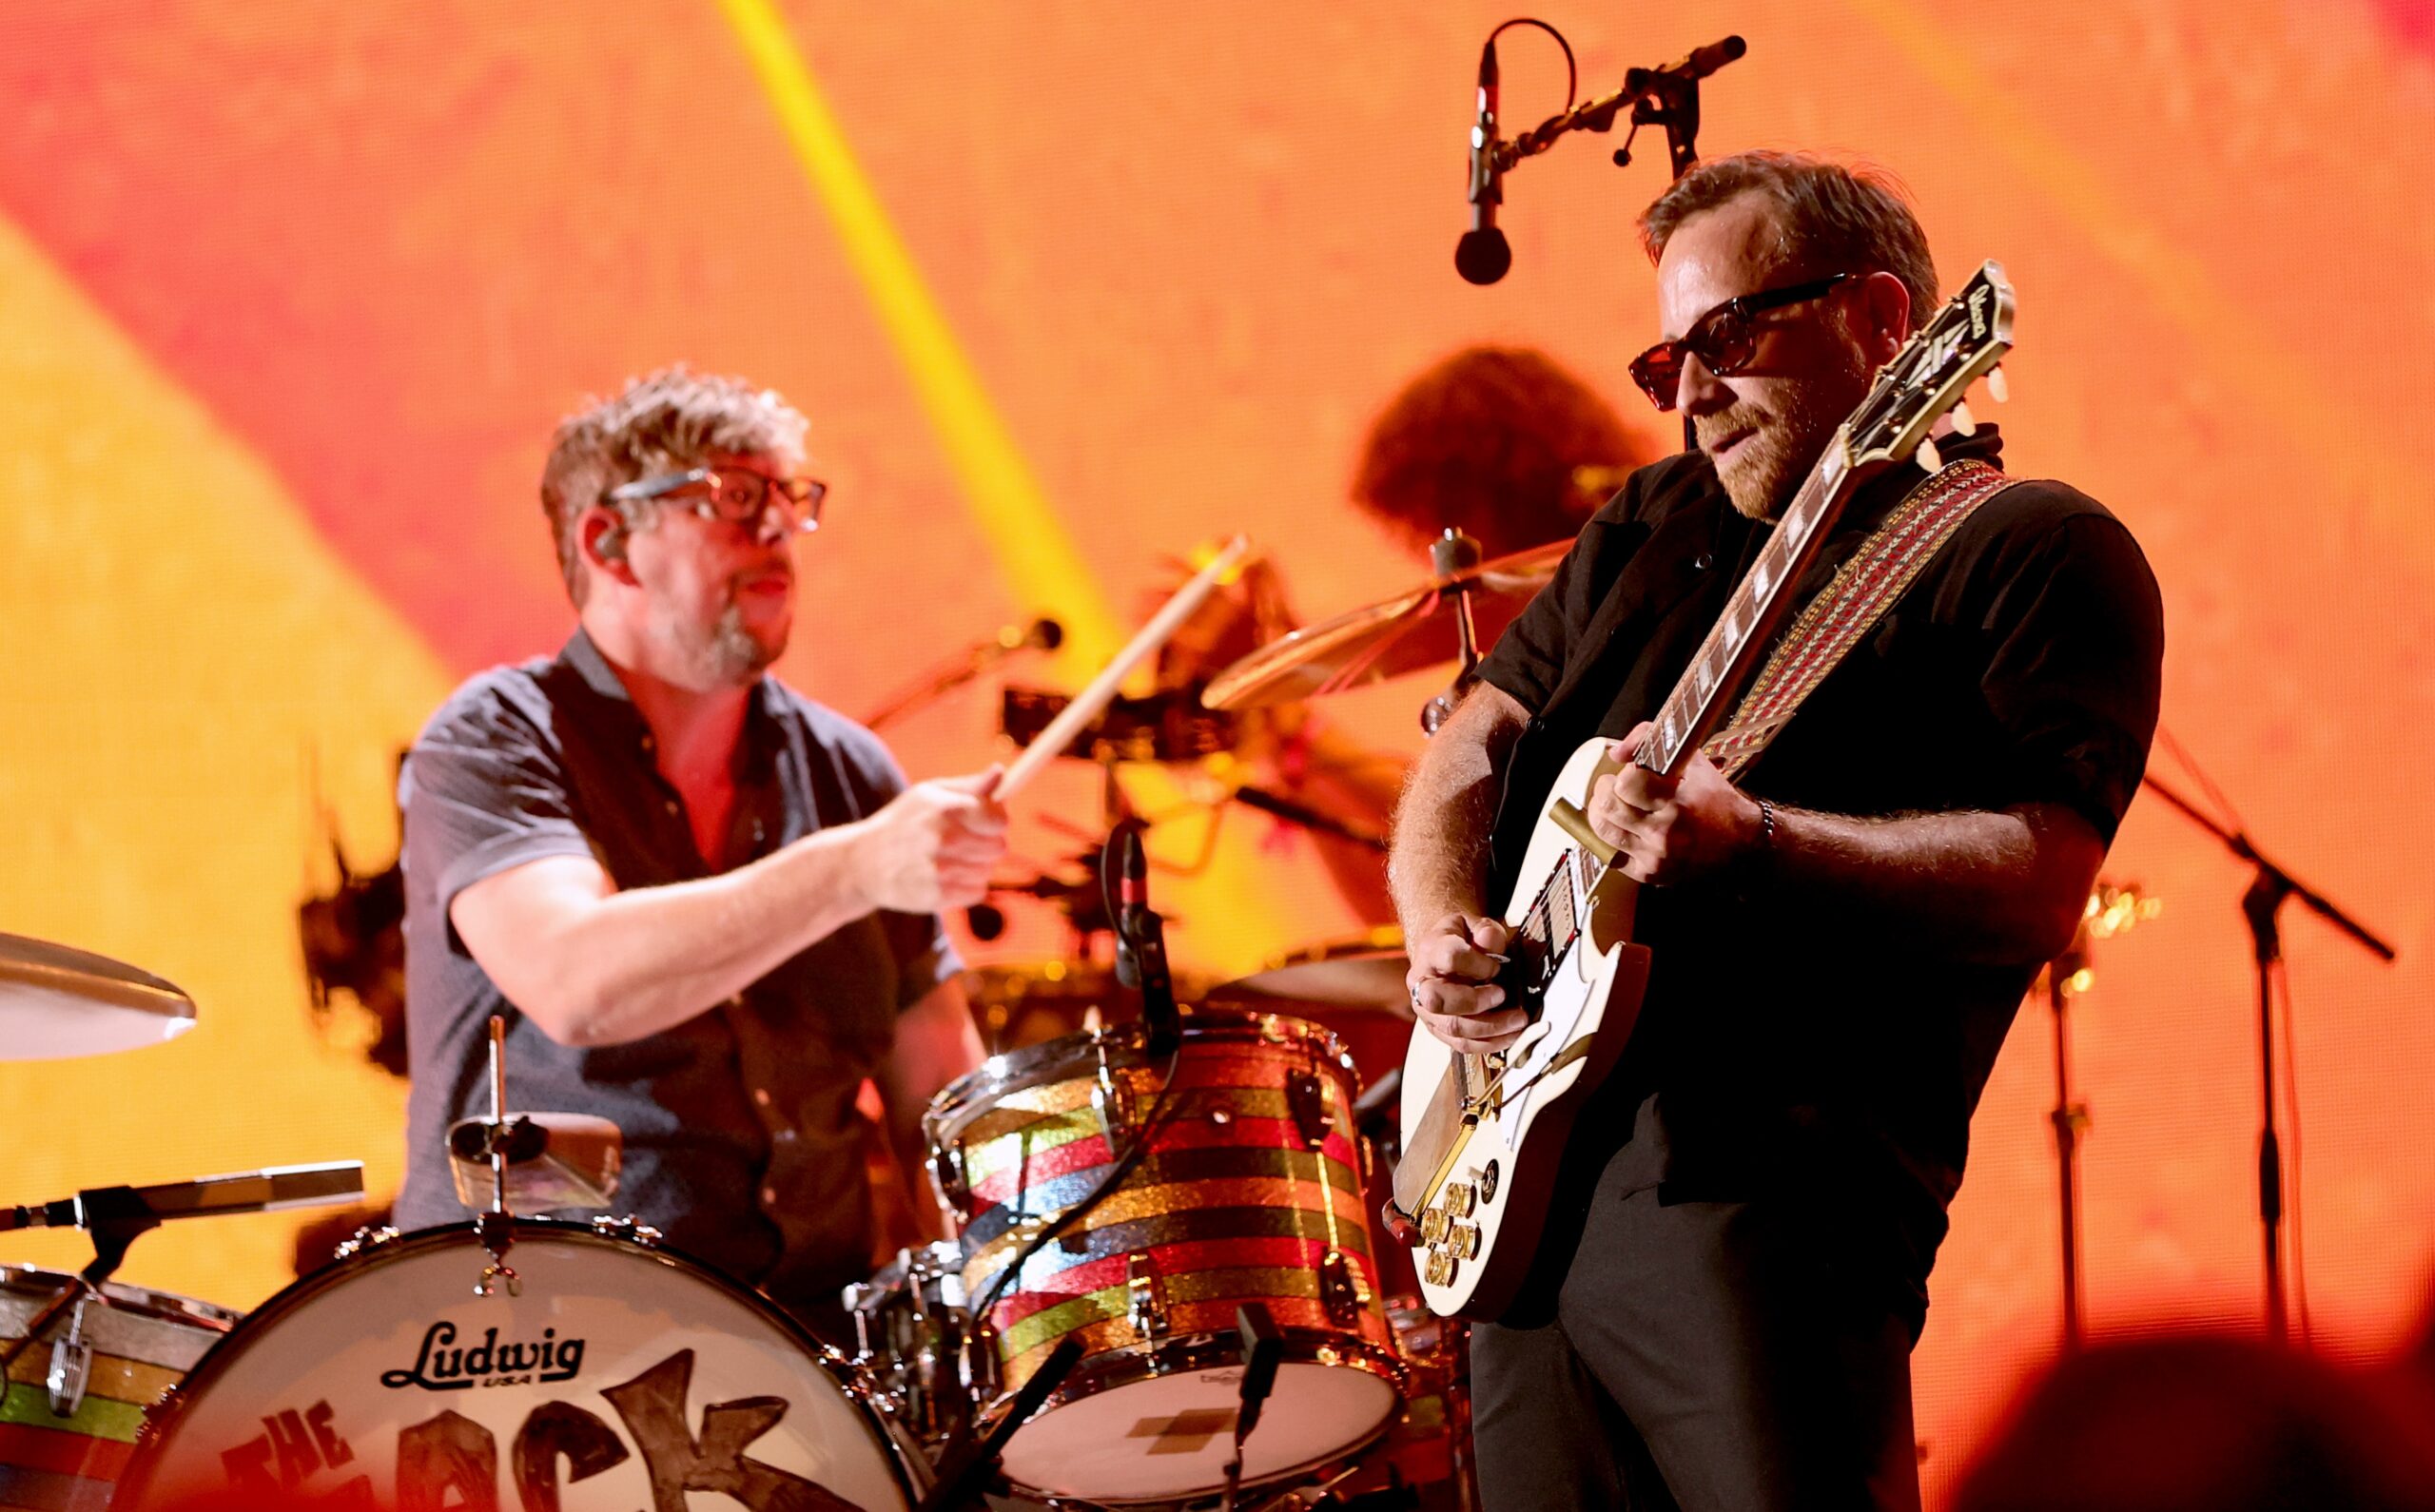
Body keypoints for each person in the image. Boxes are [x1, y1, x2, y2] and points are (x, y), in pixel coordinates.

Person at [1390, 151, 2165, 1510]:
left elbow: (2045, 877)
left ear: (1879, 318)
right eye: (1666, 361)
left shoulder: (2030, 547)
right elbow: (1471, 740)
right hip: (1524, 1217)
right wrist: (1438, 920)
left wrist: (1753, 841)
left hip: (1766, 1207)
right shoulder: (1649, 520)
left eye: (1729, 337)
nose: (1691, 391)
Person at [393, 367, 1005, 1335]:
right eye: (732, 497)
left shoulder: (848, 771)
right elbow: (577, 983)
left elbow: (939, 1098)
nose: (778, 528)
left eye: (790, 499)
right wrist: (850, 869)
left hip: (813, 1350)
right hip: (540, 1345)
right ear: (609, 541)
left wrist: (999, 1314)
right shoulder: (493, 738)